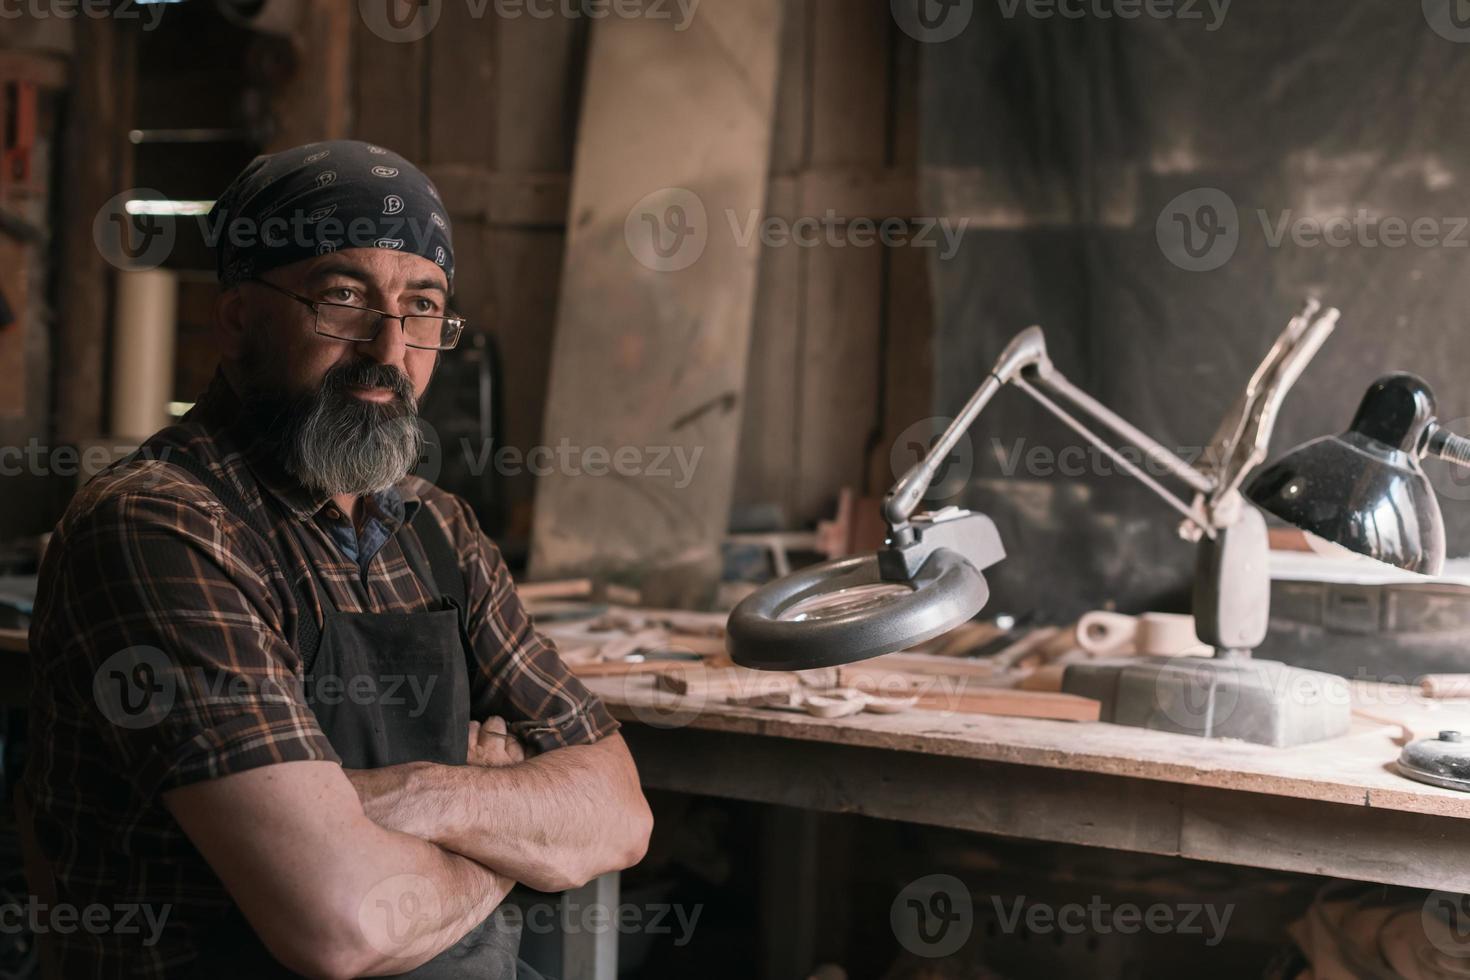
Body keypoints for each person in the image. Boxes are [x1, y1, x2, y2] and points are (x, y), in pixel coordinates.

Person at [23, 140, 652, 978]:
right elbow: (343, 923)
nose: (389, 352)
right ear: (241, 316)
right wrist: (510, 846)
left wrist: (424, 795)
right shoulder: (160, 526)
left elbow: (621, 815)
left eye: (423, 306)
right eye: (344, 297)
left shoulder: (440, 532)